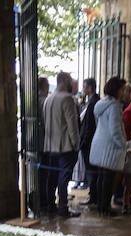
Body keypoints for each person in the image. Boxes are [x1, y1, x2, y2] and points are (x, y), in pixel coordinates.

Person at [41, 71, 80, 218]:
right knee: (64, 178)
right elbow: (72, 125)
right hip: (65, 146)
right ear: (64, 81)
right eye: (70, 80)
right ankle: (63, 209)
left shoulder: (48, 99)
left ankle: (51, 205)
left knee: (52, 177)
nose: (71, 83)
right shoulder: (67, 99)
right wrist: (76, 144)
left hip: (50, 145)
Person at [89, 76, 127, 217]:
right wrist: (124, 145)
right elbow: (115, 130)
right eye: (122, 89)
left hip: (99, 144)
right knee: (108, 179)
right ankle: (105, 207)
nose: (124, 92)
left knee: (101, 178)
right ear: (116, 90)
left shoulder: (101, 104)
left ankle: (101, 206)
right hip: (110, 148)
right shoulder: (115, 106)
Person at [77, 78, 99, 203]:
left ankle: (93, 196)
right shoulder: (91, 101)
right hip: (89, 141)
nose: (82, 89)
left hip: (89, 142)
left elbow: (89, 125)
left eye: (84, 86)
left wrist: (83, 141)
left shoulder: (93, 102)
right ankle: (93, 194)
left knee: (91, 170)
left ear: (90, 88)